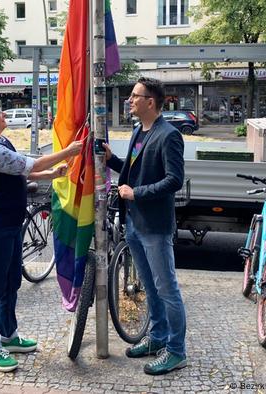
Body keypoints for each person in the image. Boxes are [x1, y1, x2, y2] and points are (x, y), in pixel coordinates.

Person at [0, 93, 83, 372]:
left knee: (11, 283)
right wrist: (68, 151)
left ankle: (9, 335)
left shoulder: (1, 141)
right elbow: (29, 165)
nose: (3, 115)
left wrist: (52, 175)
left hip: (8, 224)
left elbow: (20, 171)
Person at [102, 77, 187, 375]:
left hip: (154, 225)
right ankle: (157, 338)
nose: (129, 100)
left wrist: (137, 193)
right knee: (150, 287)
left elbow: (173, 180)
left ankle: (176, 351)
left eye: (135, 96)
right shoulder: (140, 130)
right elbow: (134, 169)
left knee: (167, 289)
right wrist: (114, 161)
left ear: (150, 102)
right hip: (134, 223)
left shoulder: (169, 135)